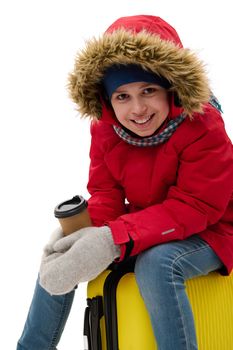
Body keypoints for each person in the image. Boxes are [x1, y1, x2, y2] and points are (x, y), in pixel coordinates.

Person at [17, 15, 233, 350]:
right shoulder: (106, 129)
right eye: (122, 96)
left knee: (159, 263)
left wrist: (114, 239)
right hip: (150, 223)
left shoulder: (203, 125)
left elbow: (196, 206)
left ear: (172, 89)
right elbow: (106, 193)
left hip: (214, 229)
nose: (138, 108)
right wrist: (87, 233)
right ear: (107, 100)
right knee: (65, 250)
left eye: (149, 90)